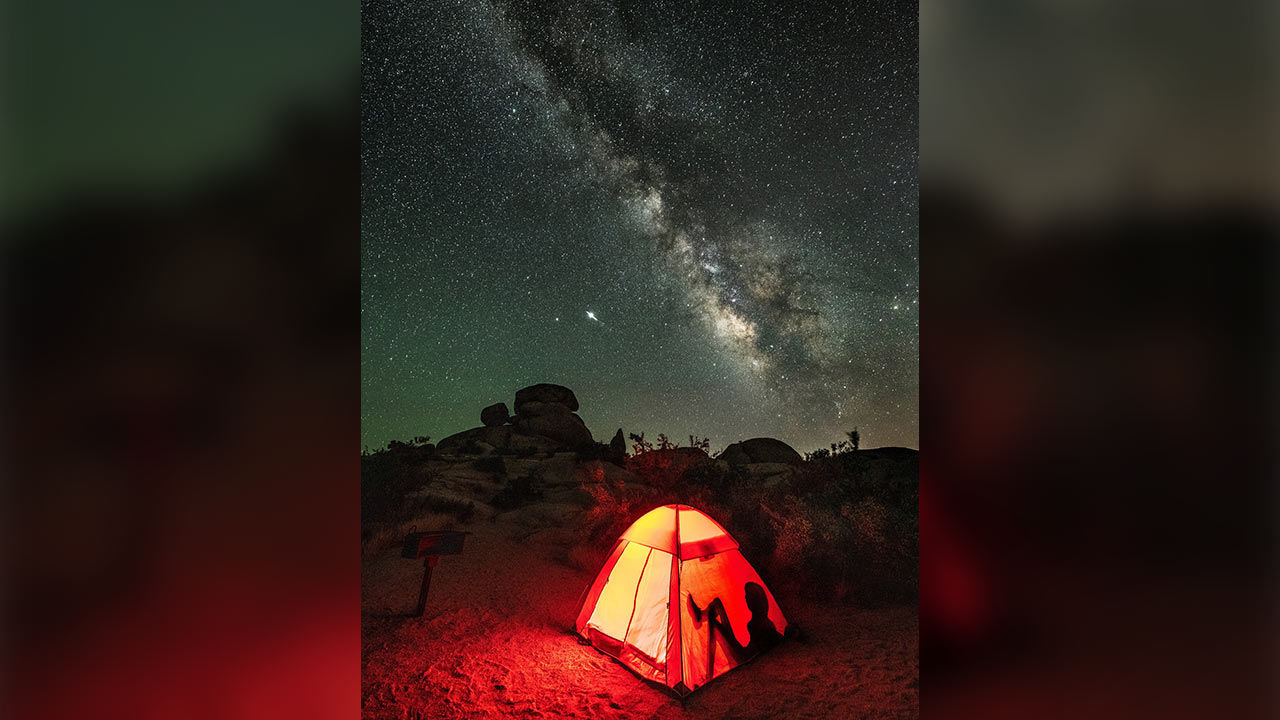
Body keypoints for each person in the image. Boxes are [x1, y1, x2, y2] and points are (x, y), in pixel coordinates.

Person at [687, 581, 783, 669]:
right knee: (717, 603)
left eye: (748, 595)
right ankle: (702, 614)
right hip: (744, 654)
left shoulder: (761, 622)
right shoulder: (760, 618)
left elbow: (762, 647)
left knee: (713, 622)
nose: (745, 598)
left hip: (744, 659)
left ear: (755, 599)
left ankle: (709, 674)